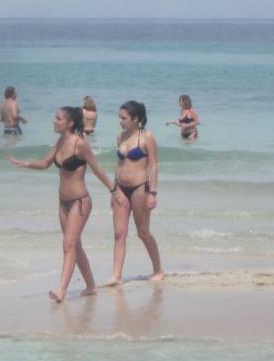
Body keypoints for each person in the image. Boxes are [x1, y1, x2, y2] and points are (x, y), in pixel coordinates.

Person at [9, 106, 114, 302]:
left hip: (80, 202)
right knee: (75, 245)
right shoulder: (60, 142)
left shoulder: (79, 144)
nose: (54, 121)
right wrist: (26, 164)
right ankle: (91, 285)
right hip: (63, 203)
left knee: (68, 244)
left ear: (70, 123)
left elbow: (97, 168)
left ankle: (61, 291)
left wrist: (113, 190)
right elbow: (45, 163)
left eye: (58, 118)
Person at [107, 100, 165, 285]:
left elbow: (154, 165)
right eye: (119, 117)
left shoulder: (146, 137)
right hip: (121, 189)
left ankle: (158, 270)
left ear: (136, 119)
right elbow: (119, 164)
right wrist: (114, 189)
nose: (120, 121)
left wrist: (153, 193)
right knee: (119, 234)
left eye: (124, 118)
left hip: (140, 188)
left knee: (142, 232)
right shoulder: (120, 137)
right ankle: (116, 276)